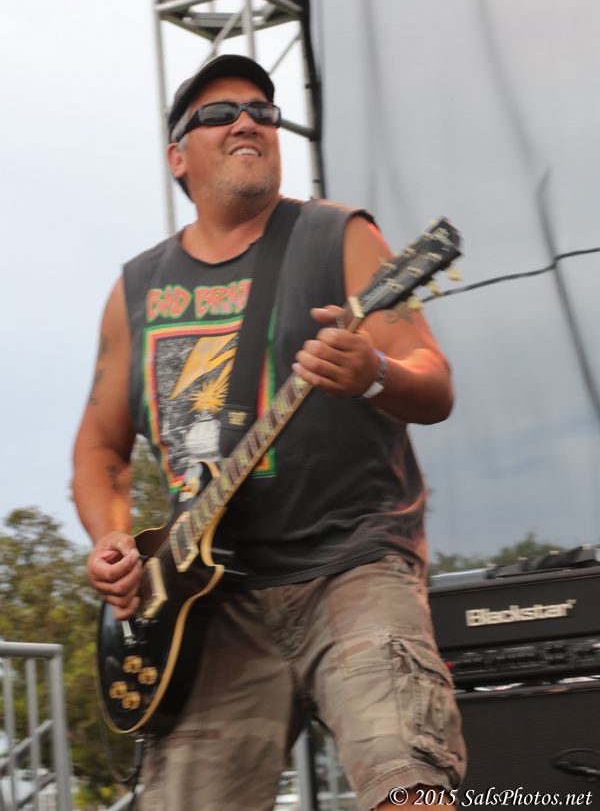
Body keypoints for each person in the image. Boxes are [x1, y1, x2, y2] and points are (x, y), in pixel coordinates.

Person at [73, 53, 465, 810]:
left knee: (409, 785)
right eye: (219, 113)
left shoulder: (338, 235)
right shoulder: (136, 290)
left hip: (349, 565)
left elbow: (434, 380)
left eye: (262, 110)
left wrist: (374, 372)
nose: (247, 120)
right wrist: (110, 539)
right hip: (204, 604)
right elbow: (99, 449)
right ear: (178, 157)